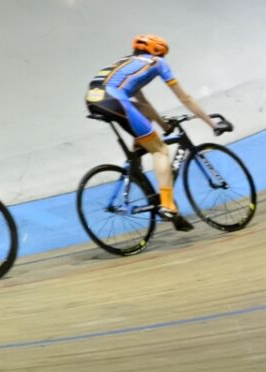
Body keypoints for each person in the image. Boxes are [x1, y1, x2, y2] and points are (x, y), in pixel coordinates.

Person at [85, 35, 231, 232]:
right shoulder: (157, 62)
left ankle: (135, 165)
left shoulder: (126, 63)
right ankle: (168, 205)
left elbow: (143, 105)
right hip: (114, 100)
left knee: (142, 122)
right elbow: (184, 98)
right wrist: (211, 123)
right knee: (160, 150)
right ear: (158, 51)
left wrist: (163, 125)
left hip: (94, 99)